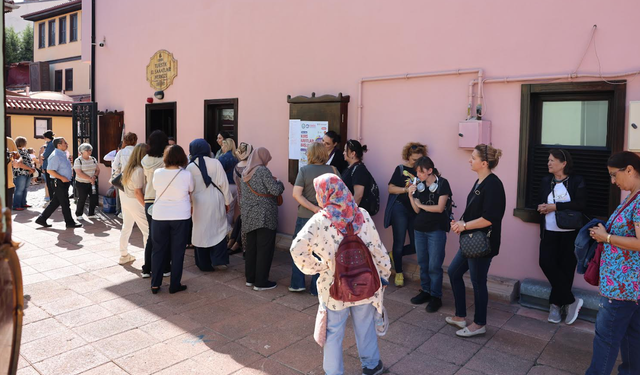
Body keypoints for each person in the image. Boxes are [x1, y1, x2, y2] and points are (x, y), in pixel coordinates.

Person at [290, 173, 391, 375]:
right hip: (365, 284)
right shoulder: (361, 214)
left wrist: (318, 267)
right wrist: (384, 274)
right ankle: (371, 366)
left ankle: (334, 371)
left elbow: (296, 248)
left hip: (333, 287)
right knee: (365, 326)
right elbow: (377, 248)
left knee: (333, 332)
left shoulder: (319, 221)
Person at [585, 151, 640, 375]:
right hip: (628, 286)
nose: (613, 181)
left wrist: (606, 237)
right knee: (632, 337)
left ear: (629, 169)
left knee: (605, 340)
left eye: (613, 175)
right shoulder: (632, 197)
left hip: (622, 287)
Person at [447, 144, 506, 337]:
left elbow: (490, 218)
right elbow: (475, 211)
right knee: (454, 272)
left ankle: (479, 323)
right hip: (471, 241)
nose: (469, 160)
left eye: (473, 157)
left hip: (483, 243)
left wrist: (464, 226)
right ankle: (460, 316)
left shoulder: (494, 184)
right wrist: (461, 223)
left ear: (484, 163)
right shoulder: (480, 181)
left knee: (478, 282)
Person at [537, 149, 586, 324]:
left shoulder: (576, 181)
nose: (548, 163)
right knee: (546, 263)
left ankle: (556, 306)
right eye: (548, 160)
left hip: (570, 233)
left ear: (563, 163)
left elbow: (580, 204)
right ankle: (571, 301)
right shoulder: (545, 181)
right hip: (549, 231)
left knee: (566, 268)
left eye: (552, 160)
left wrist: (555, 207)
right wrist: (542, 207)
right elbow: (542, 200)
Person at [290, 142, 338, 294]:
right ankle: (317, 289)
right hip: (326, 219)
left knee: (300, 248)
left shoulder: (304, 170)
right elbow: (338, 195)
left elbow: (296, 194)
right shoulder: (333, 170)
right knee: (322, 251)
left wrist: (313, 208)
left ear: (310, 154)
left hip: (305, 216)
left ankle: (297, 284)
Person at [407, 156, 451, 313]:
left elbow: (439, 208)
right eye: (417, 172)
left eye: (420, 172)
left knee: (434, 265)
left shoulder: (443, 184)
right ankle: (425, 291)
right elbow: (416, 210)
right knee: (423, 263)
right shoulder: (419, 185)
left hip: (436, 230)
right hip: (419, 229)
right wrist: (411, 197)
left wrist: (421, 205)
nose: (418, 175)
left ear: (430, 170)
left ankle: (436, 296)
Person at [150, 145, 193, 294]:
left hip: (160, 215)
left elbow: (156, 187)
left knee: (158, 250)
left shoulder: (158, 172)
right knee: (178, 251)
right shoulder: (186, 174)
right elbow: (190, 190)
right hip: (181, 215)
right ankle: (175, 284)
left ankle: (155, 283)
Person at [240, 147, 284, 291]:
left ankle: (250, 278)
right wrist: (280, 183)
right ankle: (261, 282)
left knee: (252, 248)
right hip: (264, 215)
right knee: (264, 249)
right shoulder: (262, 171)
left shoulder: (246, 171)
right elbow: (275, 190)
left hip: (249, 214)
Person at [385, 142, 427, 287]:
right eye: (414, 160)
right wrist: (406, 190)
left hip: (416, 209)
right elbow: (390, 189)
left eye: (419, 160)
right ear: (408, 157)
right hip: (400, 208)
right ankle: (399, 272)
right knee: (399, 241)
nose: (416, 163)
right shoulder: (401, 169)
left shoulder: (424, 171)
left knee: (417, 245)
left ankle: (394, 255)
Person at [187, 139, 232, 271]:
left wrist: (190, 205)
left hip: (198, 203)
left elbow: (189, 189)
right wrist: (227, 201)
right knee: (218, 228)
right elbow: (224, 184)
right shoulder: (216, 163)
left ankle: (203, 263)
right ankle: (219, 260)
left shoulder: (190, 167)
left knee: (200, 231)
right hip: (215, 200)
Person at [35, 137, 82, 228]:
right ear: (59, 145)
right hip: (59, 182)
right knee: (65, 202)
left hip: (63, 182)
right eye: (65, 142)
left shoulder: (62, 154)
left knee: (56, 202)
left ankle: (42, 218)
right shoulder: (56, 155)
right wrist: (62, 178)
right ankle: (69, 222)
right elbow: (50, 170)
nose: (67, 144)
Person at [141, 130, 170, 278]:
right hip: (162, 200)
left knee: (152, 236)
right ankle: (165, 267)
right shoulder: (165, 160)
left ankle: (147, 268)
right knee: (164, 236)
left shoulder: (145, 159)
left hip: (148, 199)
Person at [119, 143, 150, 265]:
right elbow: (138, 192)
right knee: (148, 231)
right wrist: (145, 206)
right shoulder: (139, 170)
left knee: (126, 227)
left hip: (126, 199)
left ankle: (123, 254)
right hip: (135, 201)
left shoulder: (129, 168)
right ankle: (149, 261)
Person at [229, 142, 254, 255]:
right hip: (251, 198)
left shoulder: (236, 167)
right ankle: (240, 245)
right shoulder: (251, 167)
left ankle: (233, 242)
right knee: (247, 222)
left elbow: (236, 181)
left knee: (242, 218)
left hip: (240, 197)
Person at [342, 140, 374, 212]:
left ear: (353, 153)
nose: (343, 153)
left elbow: (358, 195)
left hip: (356, 214)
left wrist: (350, 212)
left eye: (345, 151)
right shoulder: (351, 168)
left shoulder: (359, 170)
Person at [113, 133, 138, 218]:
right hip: (136, 176)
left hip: (124, 176)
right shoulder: (137, 151)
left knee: (124, 198)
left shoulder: (121, 152)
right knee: (136, 196)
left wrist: (119, 170)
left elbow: (115, 165)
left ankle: (125, 215)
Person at [73, 143, 100, 219]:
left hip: (92, 183)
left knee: (94, 197)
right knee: (82, 198)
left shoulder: (93, 159)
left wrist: (94, 176)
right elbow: (79, 172)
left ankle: (91, 213)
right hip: (82, 183)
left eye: (90, 150)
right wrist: (89, 178)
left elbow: (97, 170)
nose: (89, 152)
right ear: (81, 151)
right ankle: (79, 214)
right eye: (87, 150)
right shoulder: (78, 160)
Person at [219, 138, 238, 227]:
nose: (222, 147)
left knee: (223, 209)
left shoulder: (222, 158)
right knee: (231, 210)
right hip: (236, 186)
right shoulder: (237, 158)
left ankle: (225, 230)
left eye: (223, 145)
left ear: (226, 145)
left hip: (226, 186)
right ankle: (229, 229)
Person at [12, 137, 36, 211]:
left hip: (27, 173)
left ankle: (23, 203)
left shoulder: (25, 151)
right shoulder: (16, 152)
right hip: (20, 173)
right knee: (19, 189)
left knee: (25, 188)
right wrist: (30, 169)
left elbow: (29, 161)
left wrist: (32, 168)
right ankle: (16, 205)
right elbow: (19, 164)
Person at [40, 130, 56, 202]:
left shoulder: (50, 144)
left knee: (50, 183)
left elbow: (44, 155)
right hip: (52, 165)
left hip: (48, 165)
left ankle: (52, 199)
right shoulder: (53, 143)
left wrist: (41, 155)